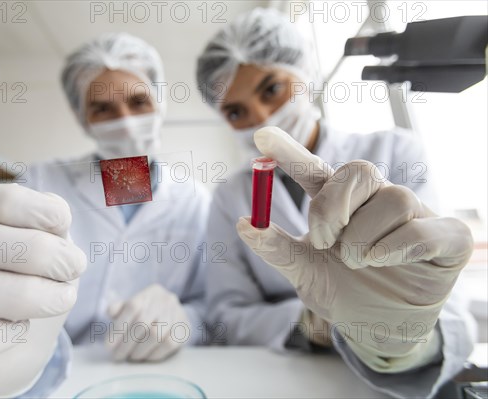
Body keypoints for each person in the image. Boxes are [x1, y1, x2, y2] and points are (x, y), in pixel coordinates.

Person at [0, 32, 210, 398]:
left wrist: (186, 321)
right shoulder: (41, 182)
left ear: (160, 103)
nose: (124, 121)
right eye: (102, 108)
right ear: (81, 117)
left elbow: (211, 304)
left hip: (156, 380)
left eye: (138, 101)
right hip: (49, 380)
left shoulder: (196, 201)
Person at [196, 8, 475, 398]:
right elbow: (226, 315)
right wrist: (315, 322)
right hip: (285, 380)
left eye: (271, 89)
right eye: (236, 111)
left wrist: (396, 338)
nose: (261, 117)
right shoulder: (230, 196)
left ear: (304, 73)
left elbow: (449, 303)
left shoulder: (394, 150)